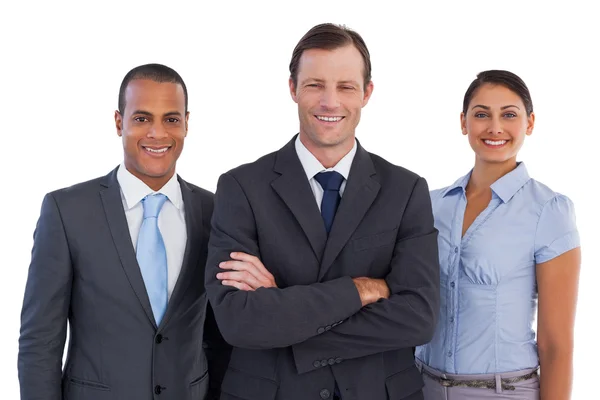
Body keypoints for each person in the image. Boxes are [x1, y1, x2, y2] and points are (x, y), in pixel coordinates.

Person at [204, 23, 440, 400]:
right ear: (293, 89)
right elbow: (238, 320)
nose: (330, 102)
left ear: (367, 93)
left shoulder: (406, 190)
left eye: (345, 86)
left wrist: (283, 306)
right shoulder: (241, 188)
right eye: (315, 85)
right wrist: (358, 290)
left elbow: (419, 318)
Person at [18, 63, 231, 400]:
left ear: (187, 123)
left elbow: (223, 335)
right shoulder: (67, 211)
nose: (157, 134)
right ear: (119, 122)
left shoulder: (215, 211)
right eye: (142, 118)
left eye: (171, 119)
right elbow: (39, 342)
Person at [415, 70, 581, 400]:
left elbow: (556, 344)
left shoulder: (549, 211)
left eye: (509, 114)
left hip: (503, 393)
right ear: (463, 122)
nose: (494, 127)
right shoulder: (430, 205)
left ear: (529, 123)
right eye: (481, 115)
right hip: (420, 387)